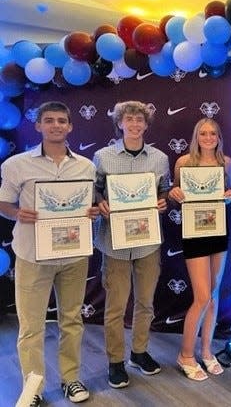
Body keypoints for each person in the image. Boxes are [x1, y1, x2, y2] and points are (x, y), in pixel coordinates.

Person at [0, 101, 98, 406]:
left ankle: (70, 379)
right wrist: (17, 213)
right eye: (49, 120)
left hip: (73, 256)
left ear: (70, 127)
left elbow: (84, 206)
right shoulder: (16, 164)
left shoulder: (86, 166)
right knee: (31, 326)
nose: (56, 125)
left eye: (61, 121)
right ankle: (34, 390)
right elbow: (3, 204)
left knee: (71, 320)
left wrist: (91, 213)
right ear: (38, 125)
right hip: (33, 256)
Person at [93, 100, 171, 389]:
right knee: (114, 307)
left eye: (140, 120)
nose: (135, 125)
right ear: (120, 123)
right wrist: (100, 202)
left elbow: (164, 190)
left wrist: (164, 200)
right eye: (130, 120)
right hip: (113, 243)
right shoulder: (102, 157)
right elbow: (94, 191)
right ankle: (115, 362)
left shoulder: (159, 158)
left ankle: (139, 353)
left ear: (147, 125)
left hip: (147, 242)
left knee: (145, 303)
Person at [168, 118, 231, 381]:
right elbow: (174, 196)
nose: (208, 138)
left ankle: (206, 352)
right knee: (202, 296)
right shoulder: (184, 163)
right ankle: (185, 354)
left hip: (218, 231)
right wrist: (174, 193)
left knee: (214, 294)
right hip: (194, 234)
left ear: (219, 137)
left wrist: (229, 197)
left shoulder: (225, 162)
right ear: (196, 136)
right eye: (203, 133)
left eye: (213, 133)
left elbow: (226, 194)